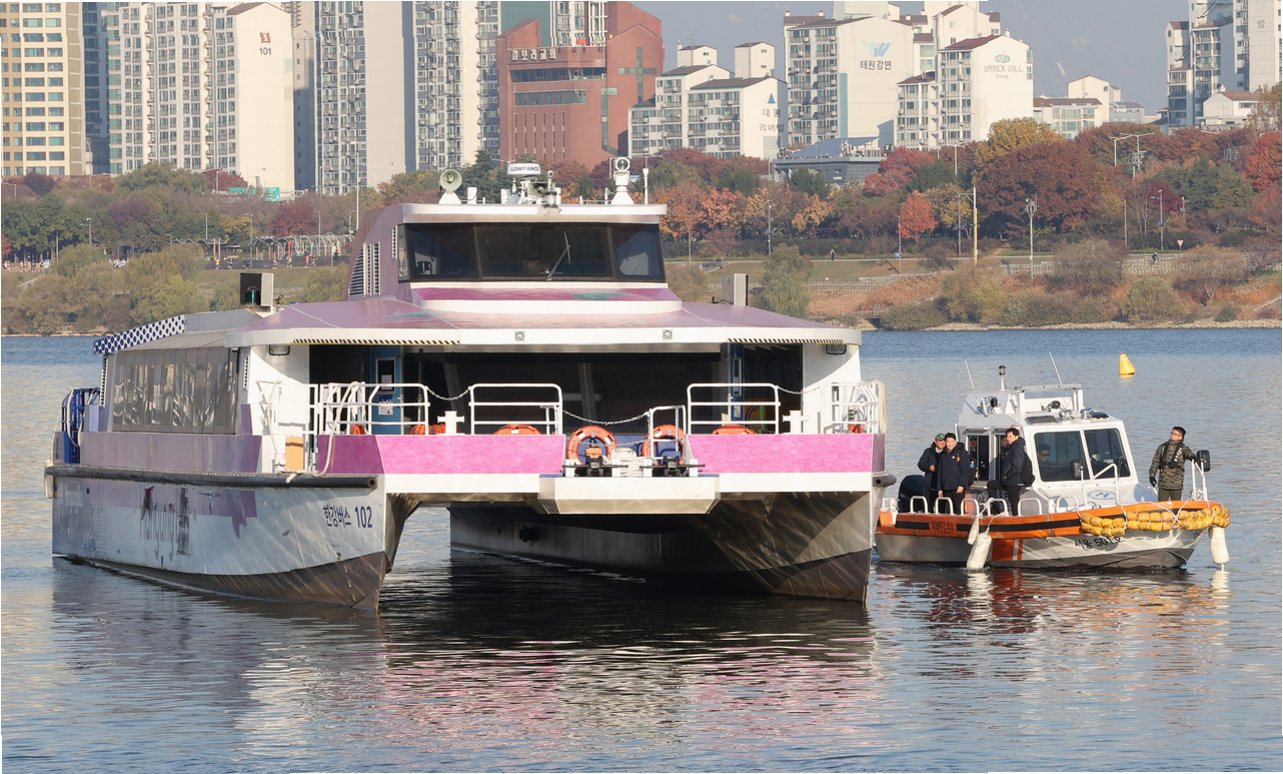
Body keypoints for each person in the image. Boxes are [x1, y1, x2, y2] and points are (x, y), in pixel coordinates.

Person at [1149, 426, 1198, 502]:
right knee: (1162, 506)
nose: (1172, 435)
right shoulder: (1162, 447)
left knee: (1176, 506)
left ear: (1181, 437)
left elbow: (1190, 454)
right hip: (1163, 483)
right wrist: (1152, 476)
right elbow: (1155, 462)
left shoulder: (1183, 448)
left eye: (1175, 434)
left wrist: (1193, 457)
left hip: (1177, 484)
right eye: (1172, 433)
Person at [935, 433, 972, 515]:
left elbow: (965, 470)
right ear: (945, 442)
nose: (950, 444)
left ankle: (961, 522)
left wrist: (962, 484)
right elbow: (940, 473)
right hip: (947, 487)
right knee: (949, 510)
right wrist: (939, 488)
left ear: (955, 442)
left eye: (952, 441)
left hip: (957, 488)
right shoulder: (943, 455)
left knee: (959, 509)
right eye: (948, 441)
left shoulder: (962, 453)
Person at [997, 427, 1028, 515]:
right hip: (1009, 481)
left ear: (1016, 437)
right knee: (991, 485)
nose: (1008, 438)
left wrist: (1007, 476)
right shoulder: (1011, 448)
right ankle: (996, 510)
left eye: (1010, 436)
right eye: (1007, 436)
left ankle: (1016, 518)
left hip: (1014, 481)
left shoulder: (1017, 449)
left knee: (1014, 504)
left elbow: (1017, 467)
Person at [917, 433, 947, 511]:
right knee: (928, 507)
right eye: (940, 441)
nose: (942, 443)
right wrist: (929, 467)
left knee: (942, 508)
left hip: (942, 486)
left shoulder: (947, 452)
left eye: (943, 441)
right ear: (935, 442)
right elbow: (921, 464)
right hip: (929, 485)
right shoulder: (928, 451)